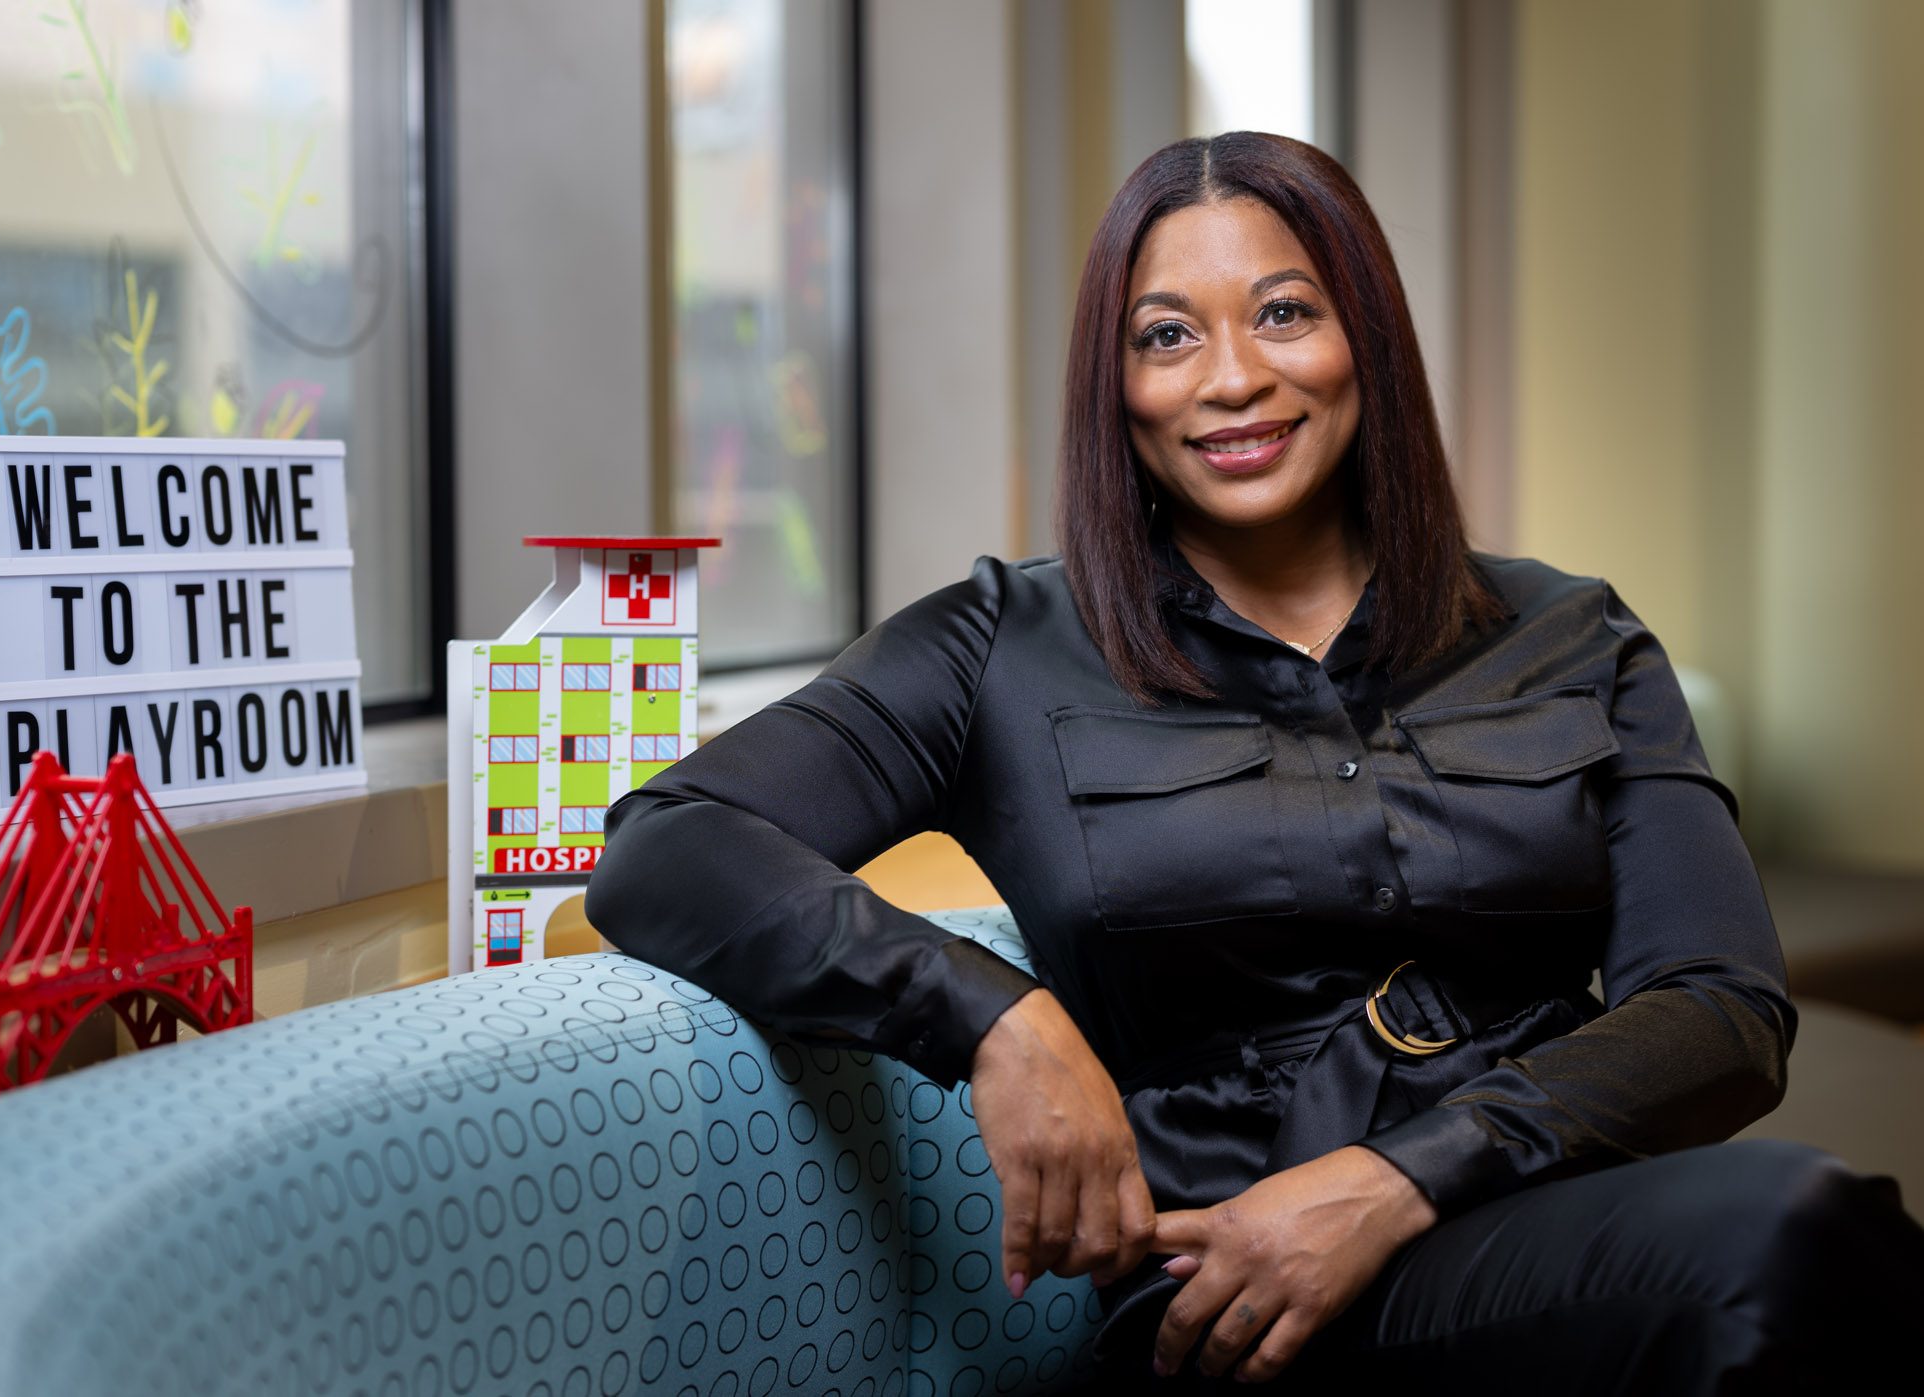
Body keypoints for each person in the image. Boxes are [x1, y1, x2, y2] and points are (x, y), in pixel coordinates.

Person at [585, 131, 1924, 1392]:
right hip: (1236, 1305)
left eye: (1284, 311)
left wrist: (1397, 1178)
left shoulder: (1571, 633)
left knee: (1809, 1229)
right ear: (1116, 385)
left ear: (1367, 340)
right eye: (1166, 335)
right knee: (1786, 1245)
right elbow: (667, 838)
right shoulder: (1002, 643)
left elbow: (1723, 1007)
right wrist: (993, 1013)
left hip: (1542, 1221)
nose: (1230, 377)